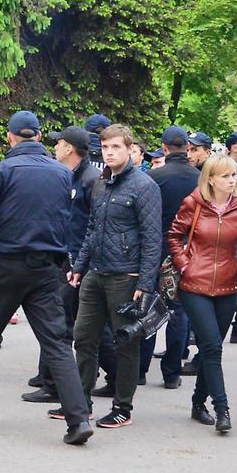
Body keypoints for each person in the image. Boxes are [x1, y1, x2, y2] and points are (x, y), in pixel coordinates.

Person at [0, 112, 93, 445]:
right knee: (56, 343)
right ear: (39, 137)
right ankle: (78, 418)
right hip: (45, 269)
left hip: (4, 266)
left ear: (11, 138)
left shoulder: (1, 171)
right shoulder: (61, 173)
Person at [68, 124, 162, 428]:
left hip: (126, 276)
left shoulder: (144, 186)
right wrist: (79, 266)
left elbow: (152, 238)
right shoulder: (100, 184)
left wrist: (145, 283)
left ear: (130, 149)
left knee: (125, 343)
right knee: (83, 336)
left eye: (116, 148)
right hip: (96, 272)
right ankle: (81, 404)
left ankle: (123, 407)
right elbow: (92, 231)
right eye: (105, 148)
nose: (109, 153)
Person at [168, 154, 237, 433]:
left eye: (233, 175)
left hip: (228, 287)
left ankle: (197, 402)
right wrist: (185, 264)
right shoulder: (194, 202)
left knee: (211, 349)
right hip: (195, 285)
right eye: (225, 176)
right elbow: (173, 235)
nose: (232, 181)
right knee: (213, 347)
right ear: (210, 179)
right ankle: (222, 409)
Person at [22, 126, 101, 403]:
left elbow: (93, 227)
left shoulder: (91, 180)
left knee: (61, 324)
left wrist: (79, 264)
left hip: (77, 264)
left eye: (59, 144)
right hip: (65, 259)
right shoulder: (68, 176)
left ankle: (54, 385)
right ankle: (52, 379)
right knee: (61, 322)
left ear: (69, 149)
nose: (54, 148)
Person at [146, 126, 199, 390]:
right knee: (179, 310)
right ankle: (172, 371)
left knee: (147, 304)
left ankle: (139, 369)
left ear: (164, 148)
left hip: (156, 248)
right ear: (187, 148)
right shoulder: (200, 179)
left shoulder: (154, 177)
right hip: (189, 250)